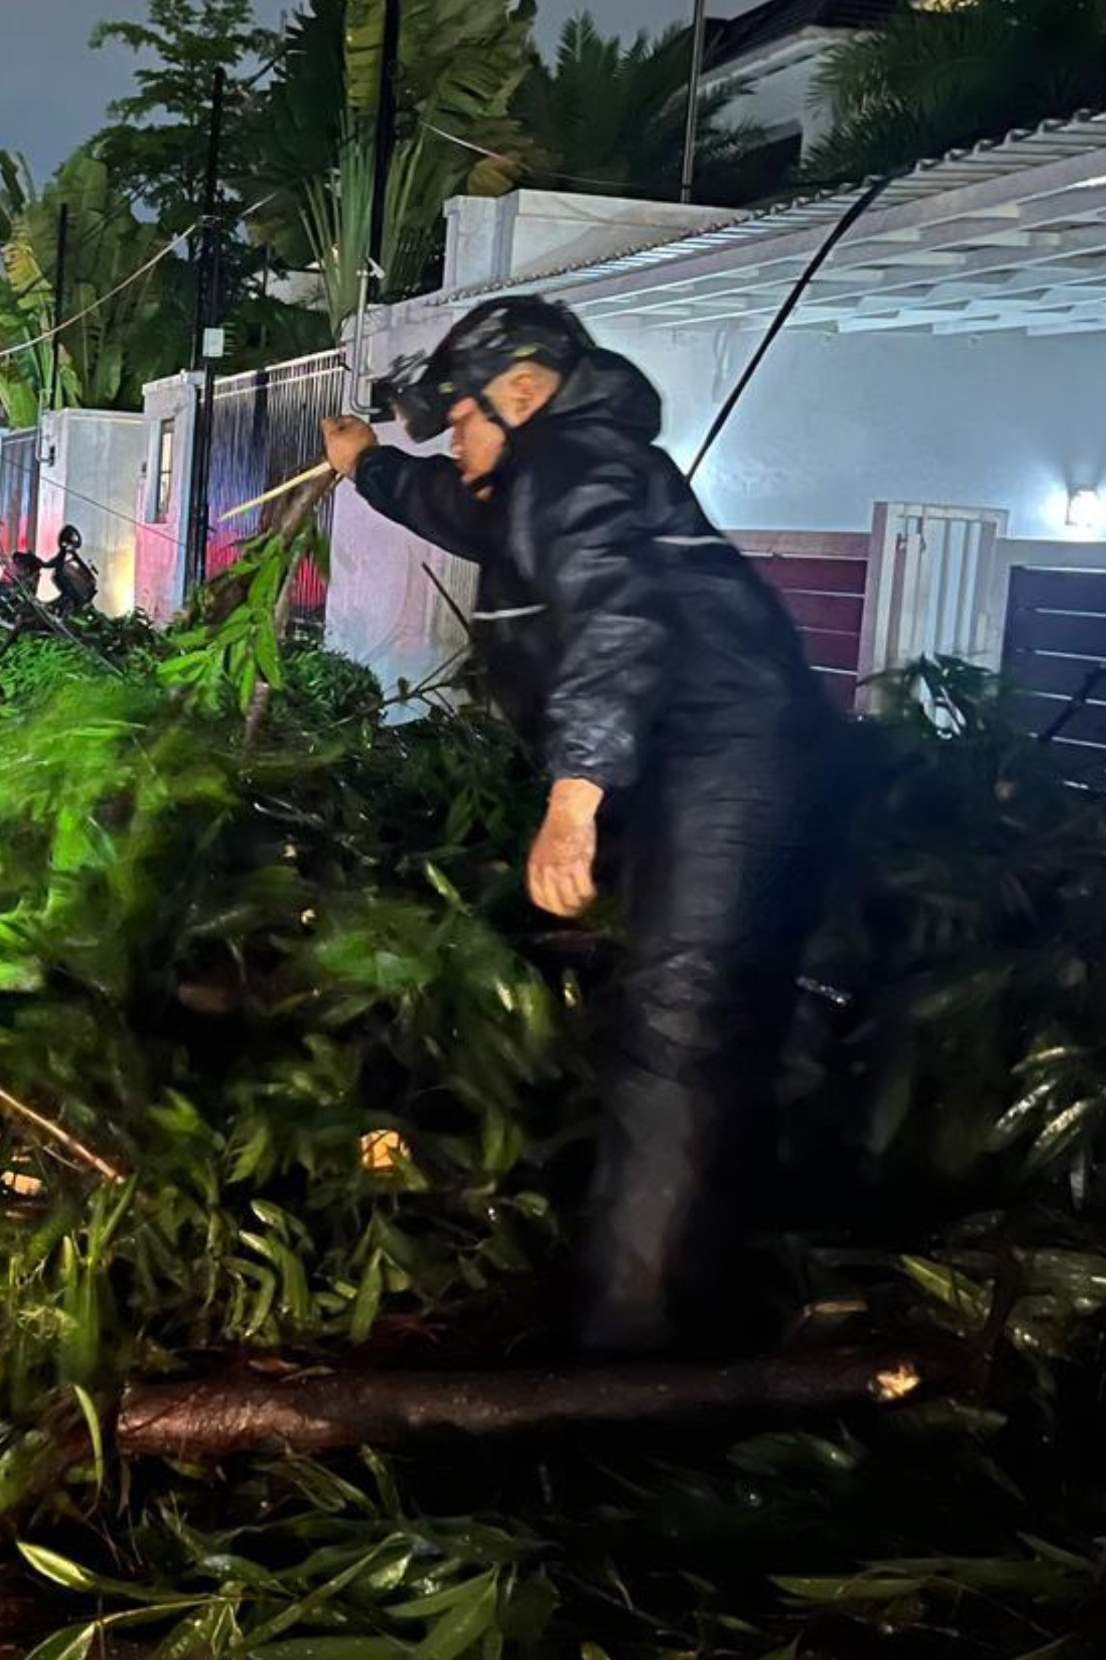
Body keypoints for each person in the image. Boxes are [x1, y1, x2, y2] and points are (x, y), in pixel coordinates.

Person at [322, 296, 836, 1360]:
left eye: (460, 420)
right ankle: (712, 1279)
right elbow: (451, 503)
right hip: (697, 767)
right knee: (695, 1017)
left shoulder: (569, 464)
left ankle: (633, 1348)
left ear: (520, 394)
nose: (455, 446)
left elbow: (615, 617)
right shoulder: (531, 477)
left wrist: (573, 800)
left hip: (720, 758)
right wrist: (365, 467)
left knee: (679, 1036)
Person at [42, 523, 99, 615]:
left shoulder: (70, 554)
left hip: (74, 591)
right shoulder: (63, 555)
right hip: (68, 588)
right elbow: (51, 564)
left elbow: (82, 565)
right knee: (69, 599)